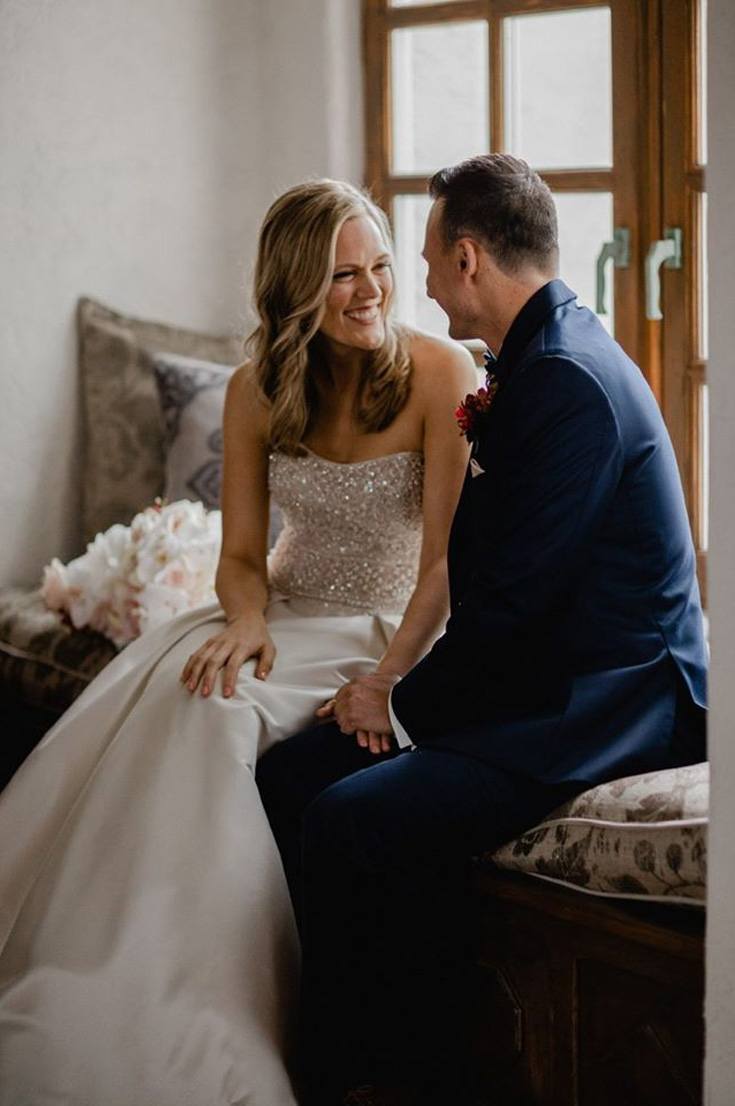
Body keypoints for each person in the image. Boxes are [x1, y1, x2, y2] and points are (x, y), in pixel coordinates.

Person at [0, 180, 476, 1106]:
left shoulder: (440, 372)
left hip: (388, 627)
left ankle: (208, 1009)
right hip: (286, 613)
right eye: (343, 275)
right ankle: (119, 966)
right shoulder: (258, 388)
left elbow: (446, 568)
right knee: (190, 688)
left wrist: (389, 679)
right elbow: (244, 556)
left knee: (218, 724)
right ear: (296, 290)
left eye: (380, 266)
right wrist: (247, 619)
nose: (371, 289)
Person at [256, 155, 708, 1106]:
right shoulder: (539, 357)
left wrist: (395, 701)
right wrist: (386, 694)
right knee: (289, 772)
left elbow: (512, 610)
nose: (410, 282)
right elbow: (496, 586)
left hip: (609, 701)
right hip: (546, 677)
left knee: (351, 818)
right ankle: (346, 1046)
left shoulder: (568, 383)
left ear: (467, 258)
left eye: (419, 259)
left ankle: (392, 1073)